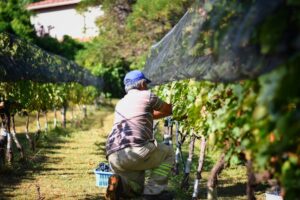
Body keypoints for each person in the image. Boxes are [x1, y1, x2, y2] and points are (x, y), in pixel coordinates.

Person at [105, 70, 174, 200]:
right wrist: (180, 111)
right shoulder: (147, 96)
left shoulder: (121, 103)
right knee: (168, 153)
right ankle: (153, 193)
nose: (147, 86)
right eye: (146, 84)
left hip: (113, 156)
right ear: (142, 84)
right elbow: (168, 109)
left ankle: (118, 183)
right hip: (135, 151)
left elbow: (149, 115)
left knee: (136, 188)